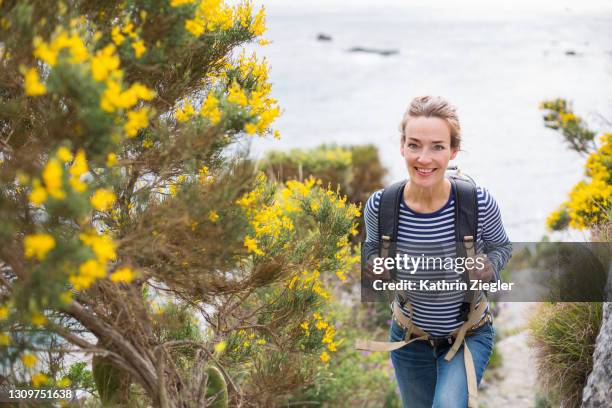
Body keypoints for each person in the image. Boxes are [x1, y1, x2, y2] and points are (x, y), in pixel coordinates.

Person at [363, 96, 512, 408]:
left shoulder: (478, 203)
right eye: (414, 145)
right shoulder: (382, 205)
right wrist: (374, 264)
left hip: (468, 335)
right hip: (408, 337)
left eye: (437, 147)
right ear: (402, 146)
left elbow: (502, 247)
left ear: (453, 151)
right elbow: (371, 248)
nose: (424, 158)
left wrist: (489, 267)